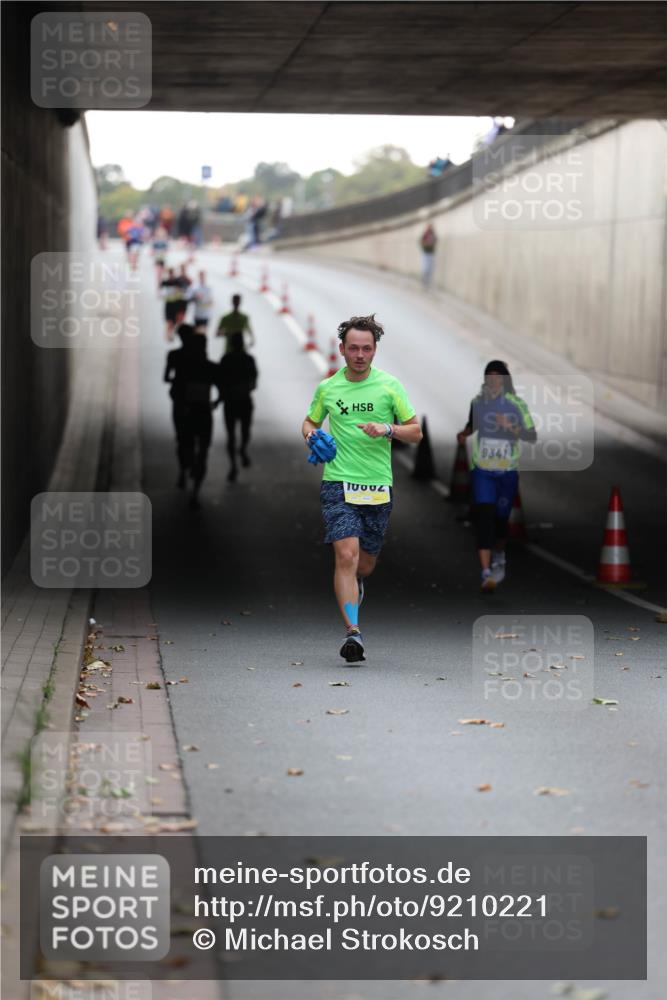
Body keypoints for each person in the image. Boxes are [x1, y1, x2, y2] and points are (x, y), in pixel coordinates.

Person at [301, 314, 422, 664]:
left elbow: (415, 431)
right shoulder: (329, 388)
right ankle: (353, 631)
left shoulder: (390, 387)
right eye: (353, 348)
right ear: (341, 349)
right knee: (346, 555)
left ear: (374, 351)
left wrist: (388, 429)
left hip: (377, 486)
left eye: (366, 349)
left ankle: (357, 585)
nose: (359, 354)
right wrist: (311, 434)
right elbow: (310, 420)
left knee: (364, 564)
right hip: (338, 483)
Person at [457, 360, 537, 591]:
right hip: (482, 471)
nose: (492, 381)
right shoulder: (477, 402)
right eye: (488, 377)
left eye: (497, 377)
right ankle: (486, 572)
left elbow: (531, 436)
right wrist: (463, 434)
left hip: (507, 473)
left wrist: (509, 427)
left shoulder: (516, 405)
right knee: (484, 519)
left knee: (501, 521)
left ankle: (499, 554)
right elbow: (472, 426)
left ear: (504, 380)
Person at [164, 325, 221, 508]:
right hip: (204, 413)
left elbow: (169, 382)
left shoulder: (181, 363)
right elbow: (222, 390)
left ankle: (183, 471)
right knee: (202, 450)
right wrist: (216, 402)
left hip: (185, 410)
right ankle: (195, 491)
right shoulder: (211, 367)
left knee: (183, 442)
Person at [218, 333, 258, 482]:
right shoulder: (249, 360)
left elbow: (220, 381)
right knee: (245, 431)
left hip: (230, 402)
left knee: (231, 435)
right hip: (244, 401)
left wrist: (221, 397)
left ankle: (233, 465)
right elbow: (254, 383)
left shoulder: (225, 359)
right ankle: (242, 450)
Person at [160, 267, 186, 340]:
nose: (171, 275)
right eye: (170, 273)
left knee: (174, 322)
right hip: (168, 304)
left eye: (172, 273)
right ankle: (168, 335)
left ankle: (171, 333)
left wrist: (179, 290)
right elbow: (161, 292)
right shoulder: (165, 282)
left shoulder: (178, 282)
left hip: (176, 305)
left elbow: (183, 291)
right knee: (169, 321)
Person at [419, 223, 437, 290]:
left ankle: (428, 284)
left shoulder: (433, 235)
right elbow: (422, 242)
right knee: (425, 269)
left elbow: (435, 242)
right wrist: (426, 244)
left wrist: (431, 243)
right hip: (425, 253)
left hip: (431, 254)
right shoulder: (425, 234)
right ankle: (423, 282)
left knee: (430, 270)